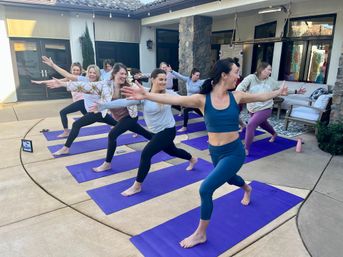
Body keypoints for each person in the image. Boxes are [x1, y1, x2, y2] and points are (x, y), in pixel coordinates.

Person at [119, 58, 288, 248]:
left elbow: (262, 97)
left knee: (206, 188)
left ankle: (200, 234)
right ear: (224, 75)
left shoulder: (237, 96)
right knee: (230, 179)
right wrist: (147, 95)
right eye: (235, 72)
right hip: (215, 152)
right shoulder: (202, 99)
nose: (238, 76)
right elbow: (175, 99)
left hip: (234, 152)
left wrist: (278, 92)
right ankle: (247, 188)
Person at [90, 68, 198, 195]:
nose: (163, 82)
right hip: (155, 132)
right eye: (160, 79)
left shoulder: (169, 94)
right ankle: (192, 158)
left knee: (146, 154)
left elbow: (186, 100)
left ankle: (137, 185)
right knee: (172, 151)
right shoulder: (144, 94)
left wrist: (202, 102)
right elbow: (124, 102)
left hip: (168, 130)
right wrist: (103, 106)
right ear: (152, 80)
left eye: (165, 79)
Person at [43, 63, 151, 159]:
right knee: (141, 131)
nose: (123, 76)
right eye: (121, 74)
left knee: (111, 134)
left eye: (125, 74)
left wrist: (155, 93)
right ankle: (157, 140)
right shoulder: (103, 85)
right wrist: (63, 84)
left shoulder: (128, 86)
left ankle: (106, 162)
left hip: (124, 116)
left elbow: (145, 92)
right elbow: (82, 85)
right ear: (114, 74)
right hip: (109, 114)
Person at [236, 62, 306, 156]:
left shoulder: (271, 81)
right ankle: (274, 133)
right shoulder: (251, 78)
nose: (270, 71)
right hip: (253, 109)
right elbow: (241, 87)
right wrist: (238, 95)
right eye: (269, 69)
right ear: (261, 69)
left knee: (250, 125)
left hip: (266, 108)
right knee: (263, 124)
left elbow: (281, 91)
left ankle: (246, 149)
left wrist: (296, 91)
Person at [32, 62, 87, 138]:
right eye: (74, 70)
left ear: (80, 71)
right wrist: (41, 82)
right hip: (80, 103)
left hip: (82, 101)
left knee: (63, 112)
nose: (76, 72)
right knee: (92, 117)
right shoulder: (69, 79)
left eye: (77, 70)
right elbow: (56, 81)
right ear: (71, 70)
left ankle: (66, 132)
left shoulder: (81, 79)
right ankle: (108, 121)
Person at [170, 68, 206, 132]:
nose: (198, 77)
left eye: (199, 75)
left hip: (196, 102)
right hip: (189, 102)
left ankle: (212, 125)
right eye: (197, 75)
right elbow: (180, 76)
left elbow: (207, 80)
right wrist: (172, 71)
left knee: (204, 115)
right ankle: (184, 127)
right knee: (185, 110)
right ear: (192, 74)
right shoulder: (188, 80)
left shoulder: (200, 82)